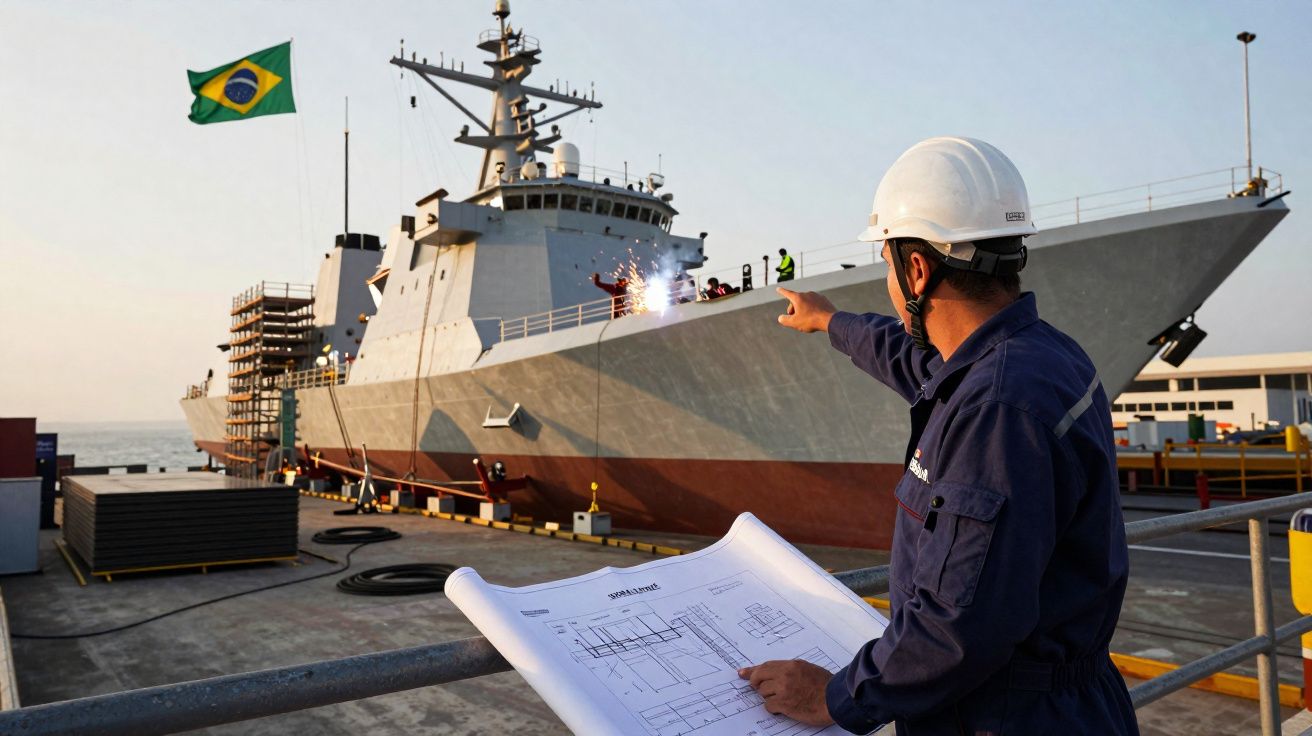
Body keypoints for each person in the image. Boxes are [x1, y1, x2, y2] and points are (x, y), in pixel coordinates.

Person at [749, 137, 1139, 735]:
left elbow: (959, 625)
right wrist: (830, 320)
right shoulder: (1041, 357)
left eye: (886, 264)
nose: (887, 279)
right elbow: (913, 363)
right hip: (1071, 704)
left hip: (1005, 718)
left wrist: (832, 697)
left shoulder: (996, 408)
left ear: (917, 268)